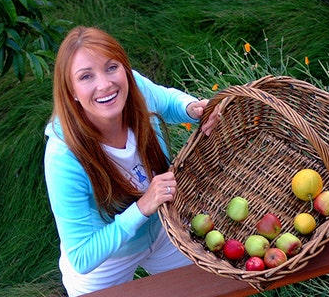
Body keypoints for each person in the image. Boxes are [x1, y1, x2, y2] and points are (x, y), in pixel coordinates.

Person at [43, 26, 219, 296]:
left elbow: (167, 101)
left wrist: (193, 109)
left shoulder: (131, 87)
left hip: (163, 230)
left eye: (111, 67)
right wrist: (142, 207)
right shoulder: (64, 158)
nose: (105, 84)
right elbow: (82, 257)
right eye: (86, 76)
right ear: (72, 93)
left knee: (207, 289)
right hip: (106, 260)